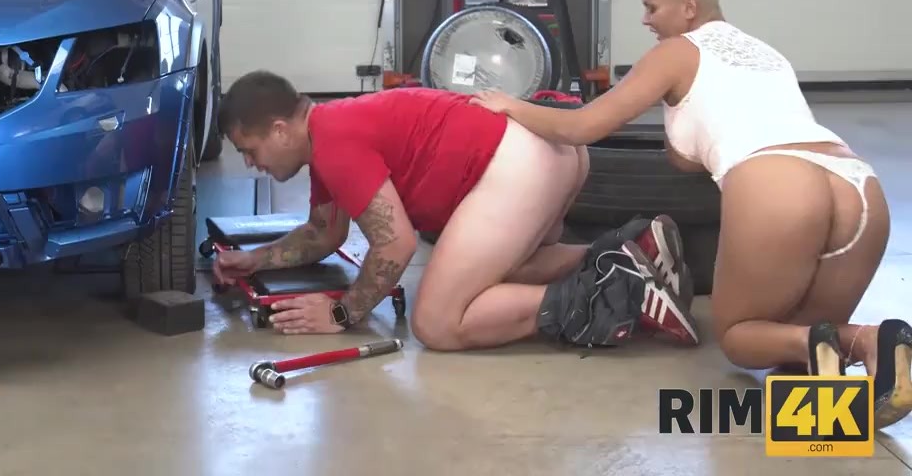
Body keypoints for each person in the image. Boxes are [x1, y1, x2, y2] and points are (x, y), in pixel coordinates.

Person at [470, 0, 911, 429]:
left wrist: (509, 105)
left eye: (651, 7)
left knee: (741, 336)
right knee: (802, 344)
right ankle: (845, 390)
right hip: (859, 186)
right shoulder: (766, 54)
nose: (645, 19)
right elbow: (692, 152)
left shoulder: (675, 52)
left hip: (776, 181)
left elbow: (583, 126)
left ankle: (865, 340)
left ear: (688, 7)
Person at [210, 69, 701, 352]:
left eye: (250, 150)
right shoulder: (333, 131)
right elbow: (323, 234)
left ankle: (618, 291)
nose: (251, 164)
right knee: (507, 271)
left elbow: (395, 245)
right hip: (550, 148)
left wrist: (342, 313)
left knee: (438, 323)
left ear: (280, 130)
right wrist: (254, 260)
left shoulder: (334, 143)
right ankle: (630, 250)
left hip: (517, 163)